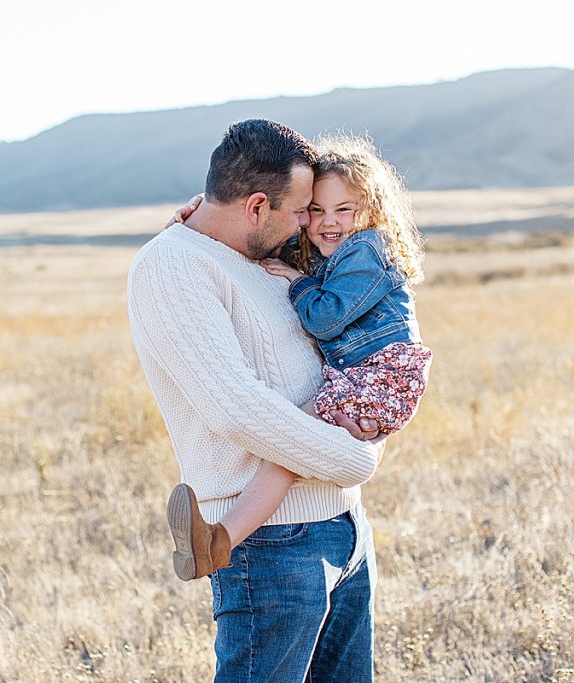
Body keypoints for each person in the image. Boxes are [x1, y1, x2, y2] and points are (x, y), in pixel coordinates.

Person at [127, 119, 385, 682]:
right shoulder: (172, 266)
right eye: (299, 212)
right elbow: (235, 407)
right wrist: (354, 459)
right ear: (257, 205)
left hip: (344, 526)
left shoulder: (264, 248)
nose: (307, 224)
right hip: (271, 549)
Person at [166, 135, 431, 601]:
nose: (325, 223)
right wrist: (200, 214)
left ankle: (222, 538)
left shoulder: (366, 251)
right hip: (370, 376)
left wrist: (299, 284)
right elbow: (252, 234)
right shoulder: (331, 249)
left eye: (343, 210)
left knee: (293, 438)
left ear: (371, 211)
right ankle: (219, 539)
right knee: (294, 441)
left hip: (384, 373)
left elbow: (326, 314)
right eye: (313, 210)